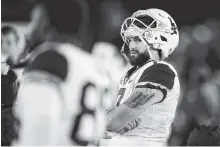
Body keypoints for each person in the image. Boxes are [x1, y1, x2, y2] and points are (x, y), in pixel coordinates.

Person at [12, 0, 111, 146]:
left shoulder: (50, 58)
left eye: (34, 18)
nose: (30, 27)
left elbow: (41, 120)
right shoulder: (91, 64)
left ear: (44, 20)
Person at [105, 8, 180, 146]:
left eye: (137, 39)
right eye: (130, 40)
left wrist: (111, 121)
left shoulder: (160, 71)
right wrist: (110, 122)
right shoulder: (133, 73)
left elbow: (112, 122)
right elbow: (106, 124)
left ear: (159, 40)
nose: (131, 45)